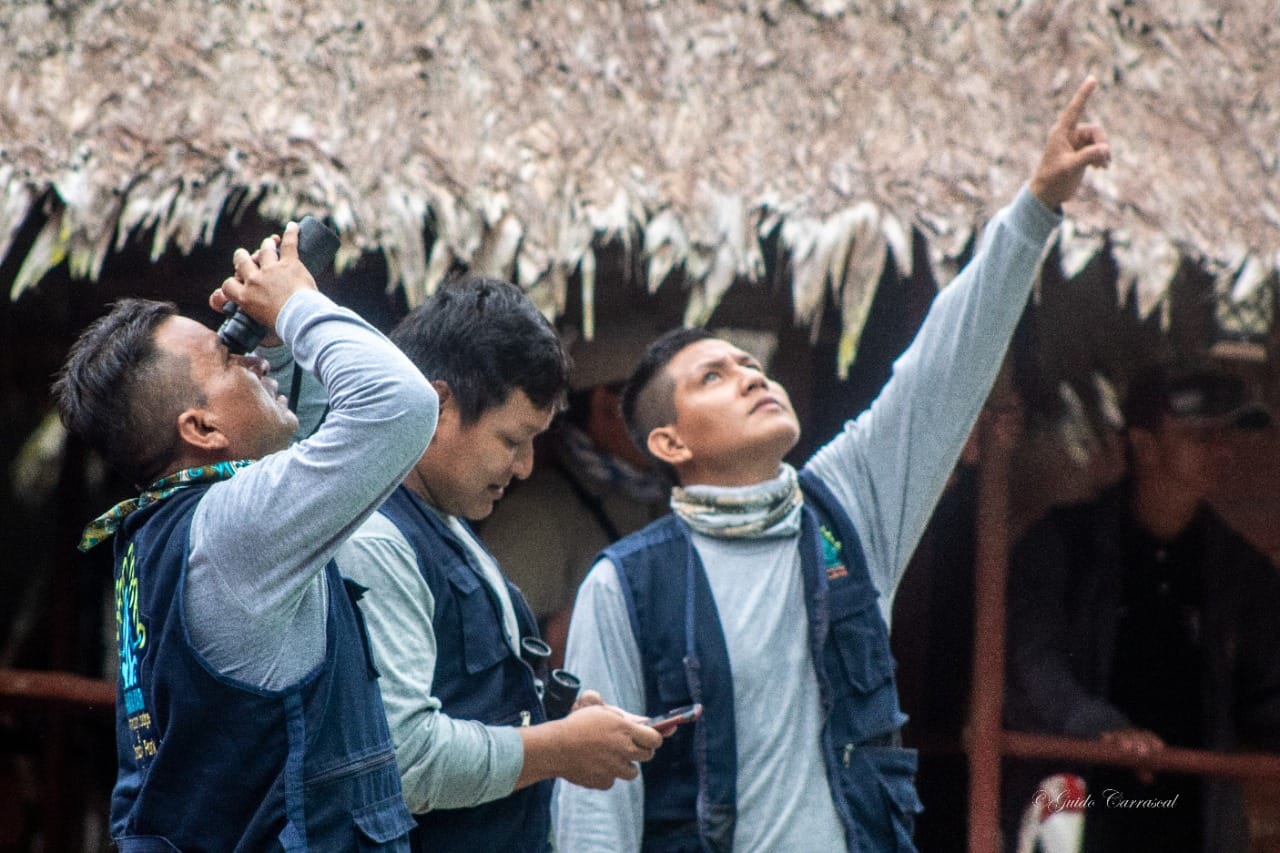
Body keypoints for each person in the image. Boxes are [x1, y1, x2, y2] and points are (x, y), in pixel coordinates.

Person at [553, 77, 1112, 852]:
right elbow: (592, 814)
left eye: (748, 364)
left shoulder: (848, 511)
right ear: (670, 443)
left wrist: (1036, 207)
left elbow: (940, 372)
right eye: (712, 377)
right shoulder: (624, 586)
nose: (749, 374)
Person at [51, 223, 438, 850]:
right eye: (234, 358)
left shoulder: (158, 536)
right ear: (200, 428)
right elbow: (400, 406)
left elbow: (317, 439)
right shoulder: (237, 528)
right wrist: (296, 304)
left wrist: (274, 339)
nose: (256, 358)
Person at [280, 278, 664, 853]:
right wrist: (560, 748)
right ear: (437, 406)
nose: (528, 466)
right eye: (513, 440)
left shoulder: (445, 520)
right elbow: (403, 761)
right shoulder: (378, 537)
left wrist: (548, 713)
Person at [1003, 360, 1280, 853]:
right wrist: (1101, 729)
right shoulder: (1065, 544)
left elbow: (1268, 687)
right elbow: (1032, 661)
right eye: (1200, 435)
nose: (1222, 449)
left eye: (1226, 435)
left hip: (1195, 818)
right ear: (1144, 446)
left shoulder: (1238, 568)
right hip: (1086, 809)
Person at [480, 328, 670, 667]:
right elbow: (493, 649)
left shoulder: (668, 495)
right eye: (660, 401)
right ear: (606, 406)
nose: (674, 415)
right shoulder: (538, 513)